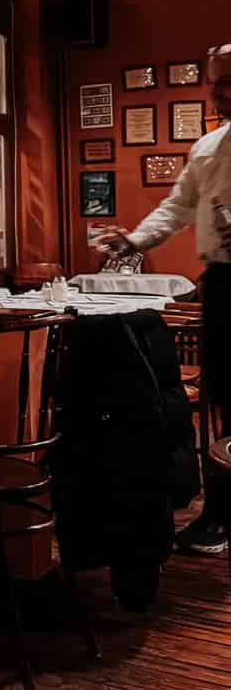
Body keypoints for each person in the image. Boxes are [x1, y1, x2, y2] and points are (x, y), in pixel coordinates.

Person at [93, 41, 231, 554]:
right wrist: (133, 240)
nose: (218, 92)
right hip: (221, 284)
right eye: (215, 83)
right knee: (222, 403)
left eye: (227, 82)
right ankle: (218, 517)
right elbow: (175, 208)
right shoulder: (208, 149)